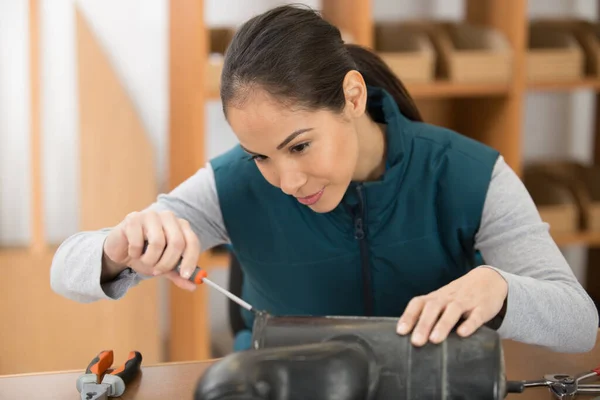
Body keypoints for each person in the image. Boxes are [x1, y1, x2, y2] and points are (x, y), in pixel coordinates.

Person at [50, 4, 598, 353]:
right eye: (260, 155)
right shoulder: (234, 184)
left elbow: (579, 324)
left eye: (300, 145)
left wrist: (499, 288)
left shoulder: (472, 177)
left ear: (353, 97)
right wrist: (118, 249)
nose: (285, 179)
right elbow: (64, 271)